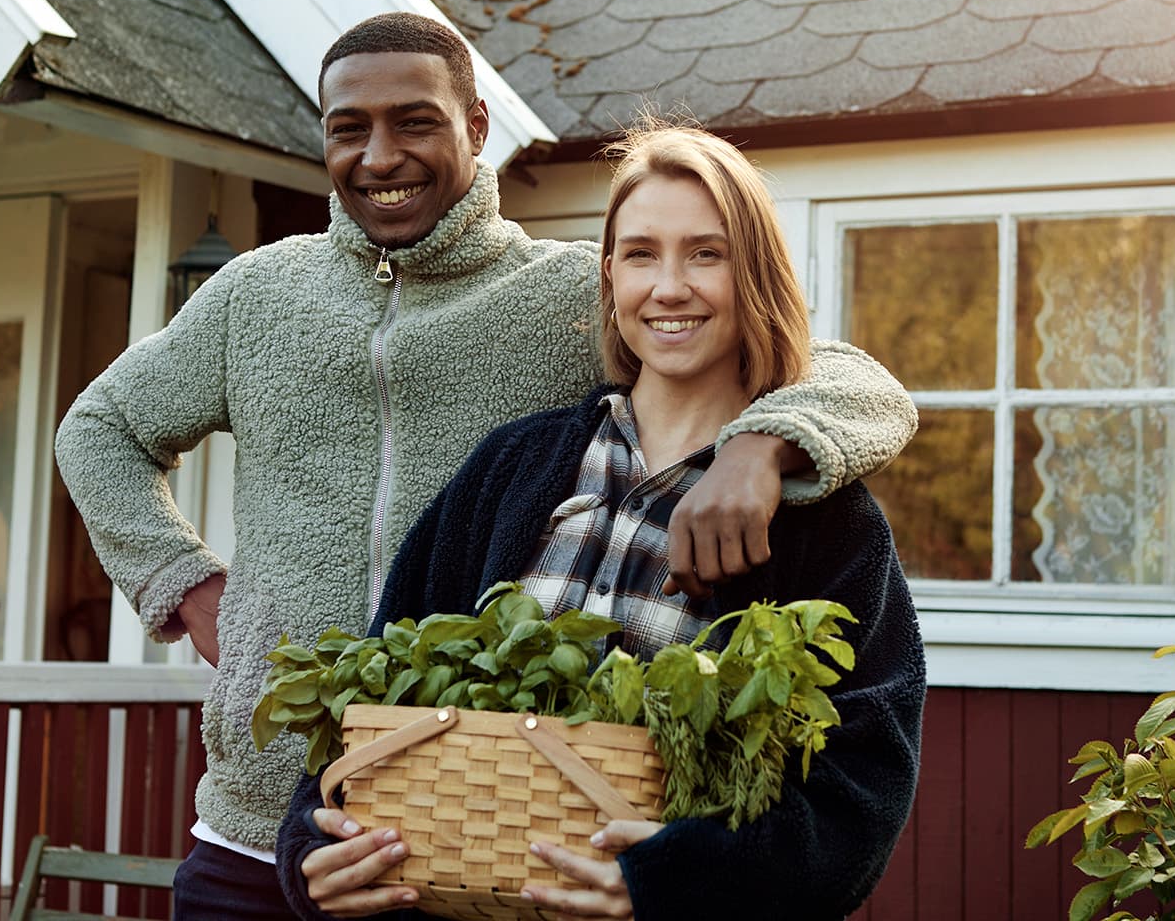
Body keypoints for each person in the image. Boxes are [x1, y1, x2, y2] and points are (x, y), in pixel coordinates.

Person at [54, 14, 917, 915]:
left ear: (475, 127)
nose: (380, 156)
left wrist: (761, 449)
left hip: (481, 849)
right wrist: (189, 589)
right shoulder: (255, 295)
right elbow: (99, 428)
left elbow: (846, 376)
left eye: (414, 122)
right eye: (349, 128)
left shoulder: (565, 290)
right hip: (279, 820)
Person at [277, 123, 926, 920]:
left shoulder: (827, 519)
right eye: (642, 254)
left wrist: (670, 883)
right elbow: (377, 679)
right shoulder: (513, 466)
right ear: (612, 274)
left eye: (707, 254)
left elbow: (861, 795)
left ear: (754, 273)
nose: (670, 287)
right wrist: (311, 847)